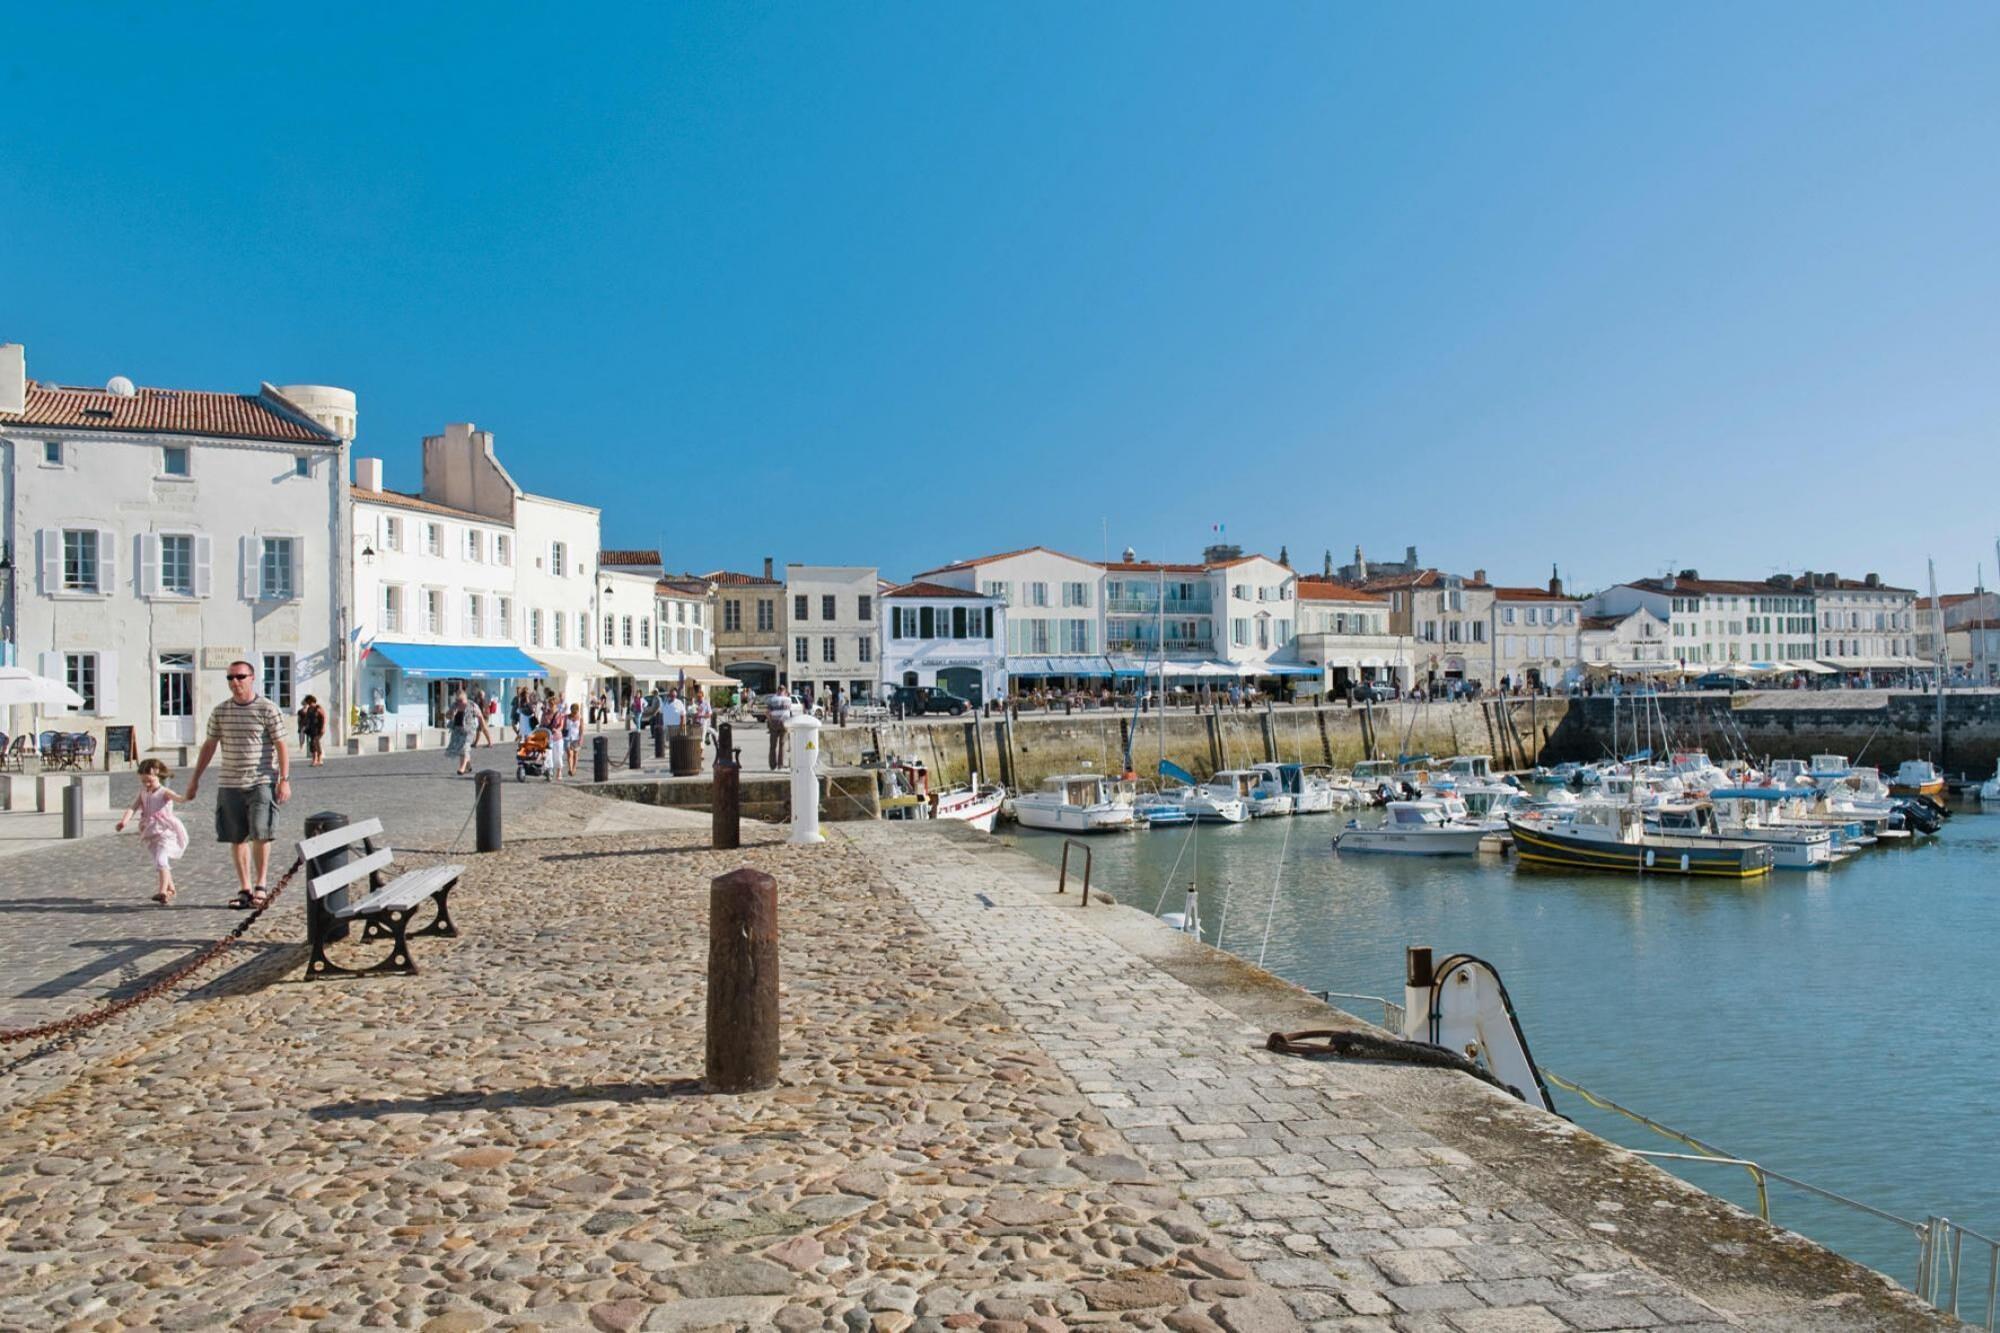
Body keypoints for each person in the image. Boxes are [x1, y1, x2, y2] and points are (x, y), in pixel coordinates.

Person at [185, 660, 291, 910]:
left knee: (261, 833)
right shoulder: (221, 711)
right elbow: (210, 745)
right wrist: (195, 779)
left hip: (261, 780)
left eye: (240, 677)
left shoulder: (267, 709)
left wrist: (284, 780)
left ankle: (261, 886)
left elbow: (281, 745)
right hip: (229, 782)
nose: (235, 682)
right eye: (230, 678)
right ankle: (244, 888)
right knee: (237, 837)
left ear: (252, 678)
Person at [117, 758, 190, 905]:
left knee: (161, 860)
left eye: (149, 781)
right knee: (160, 861)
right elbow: (133, 807)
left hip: (165, 831)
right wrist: (124, 821)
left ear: (157, 774)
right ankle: (171, 888)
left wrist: (188, 796)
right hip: (150, 831)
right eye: (143, 781)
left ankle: (162, 892)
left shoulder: (164, 792)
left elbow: (179, 798)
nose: (146, 784)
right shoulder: (143, 792)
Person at [446, 691, 474, 776]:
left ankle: (462, 768)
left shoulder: (471, 706)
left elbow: (480, 716)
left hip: (468, 731)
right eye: (457, 700)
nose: (459, 702)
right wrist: (452, 714)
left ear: (466, 699)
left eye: (461, 700)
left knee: (464, 748)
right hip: (457, 731)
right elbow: (447, 715)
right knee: (461, 750)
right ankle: (468, 765)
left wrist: (484, 728)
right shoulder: (454, 706)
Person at [296, 694, 326, 767]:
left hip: (318, 728)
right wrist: (304, 726)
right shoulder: (309, 709)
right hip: (311, 728)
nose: (307, 703)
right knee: (314, 743)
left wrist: (323, 727)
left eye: (308, 701)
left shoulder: (318, 708)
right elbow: (307, 718)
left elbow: (323, 717)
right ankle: (317, 759)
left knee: (314, 742)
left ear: (311, 700)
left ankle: (317, 759)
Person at [766, 691, 790, 768]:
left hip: (774, 723)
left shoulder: (772, 699)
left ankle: (772, 765)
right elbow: (789, 712)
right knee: (782, 744)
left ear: (777, 691)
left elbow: (767, 712)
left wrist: (770, 721)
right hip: (784, 724)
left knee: (773, 745)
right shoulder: (788, 699)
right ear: (784, 691)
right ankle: (780, 764)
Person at [564, 703, 583, 777]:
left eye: (575, 712)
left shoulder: (580, 718)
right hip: (567, 737)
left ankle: (574, 768)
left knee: (575, 754)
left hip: (576, 738)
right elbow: (563, 726)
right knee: (569, 754)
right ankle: (570, 769)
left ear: (577, 710)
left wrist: (581, 739)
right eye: (572, 711)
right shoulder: (566, 717)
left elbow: (581, 730)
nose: (574, 713)